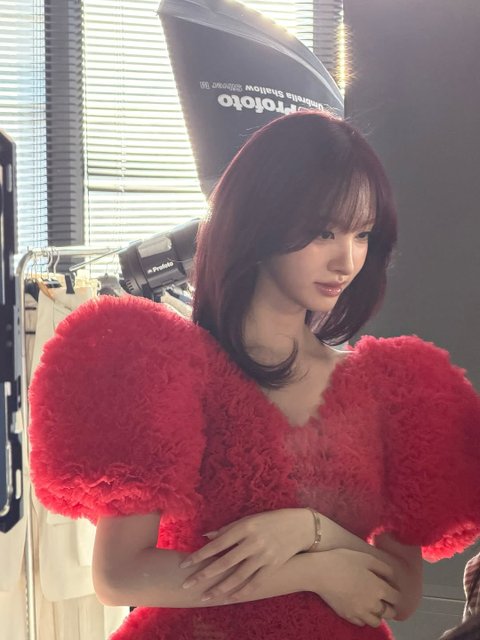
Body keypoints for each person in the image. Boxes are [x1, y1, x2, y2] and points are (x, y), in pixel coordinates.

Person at [28, 110, 480, 639]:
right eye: (323, 232)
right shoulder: (168, 370)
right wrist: (312, 572)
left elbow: (400, 595)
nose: (347, 260)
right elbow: (120, 575)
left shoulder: (391, 390)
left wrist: (312, 532)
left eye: (362, 234)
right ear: (260, 220)